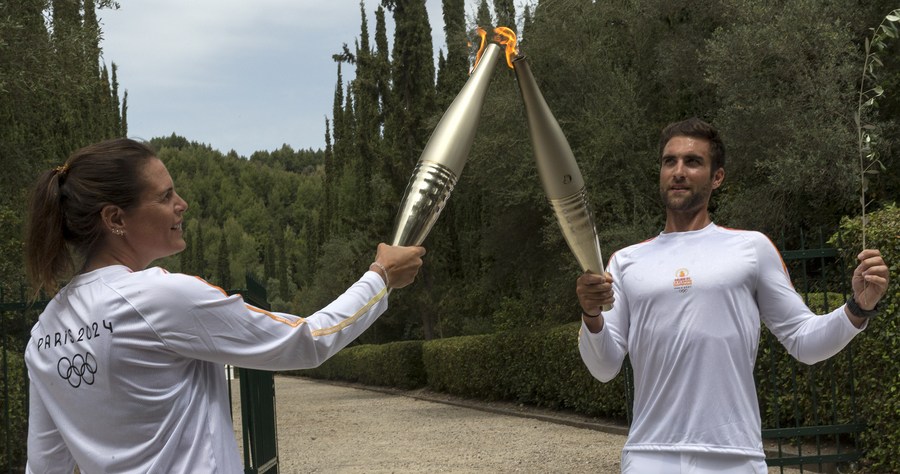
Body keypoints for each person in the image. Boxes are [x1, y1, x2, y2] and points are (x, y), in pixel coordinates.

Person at [23, 138, 426, 473]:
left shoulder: (44, 333)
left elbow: (44, 467)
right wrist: (381, 278)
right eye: (165, 197)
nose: (182, 204)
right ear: (115, 218)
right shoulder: (160, 297)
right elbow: (306, 339)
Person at [575, 118, 890, 473]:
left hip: (735, 458)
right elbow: (604, 367)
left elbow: (805, 341)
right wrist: (591, 315)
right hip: (650, 455)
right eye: (670, 161)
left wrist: (858, 307)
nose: (678, 171)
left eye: (693, 162)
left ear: (717, 177)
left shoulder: (751, 249)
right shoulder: (625, 262)